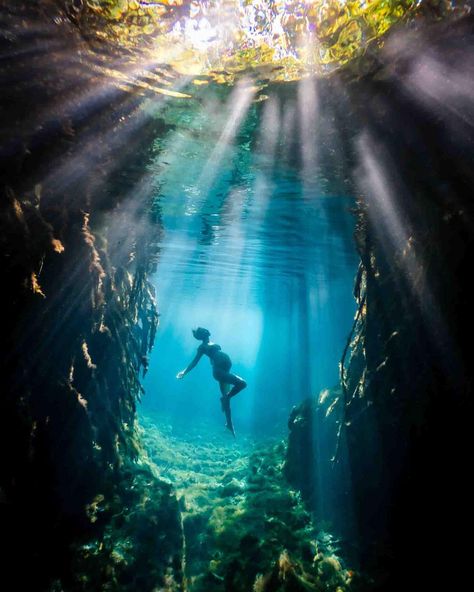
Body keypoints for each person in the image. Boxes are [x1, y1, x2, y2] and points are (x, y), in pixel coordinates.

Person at [176, 327, 247, 436]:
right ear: (202, 335)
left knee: (227, 397)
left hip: (224, 370)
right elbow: (194, 362)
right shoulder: (202, 347)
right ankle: (225, 401)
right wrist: (184, 372)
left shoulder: (212, 344)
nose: (207, 331)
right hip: (219, 371)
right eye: (203, 331)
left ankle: (229, 423)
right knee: (242, 384)